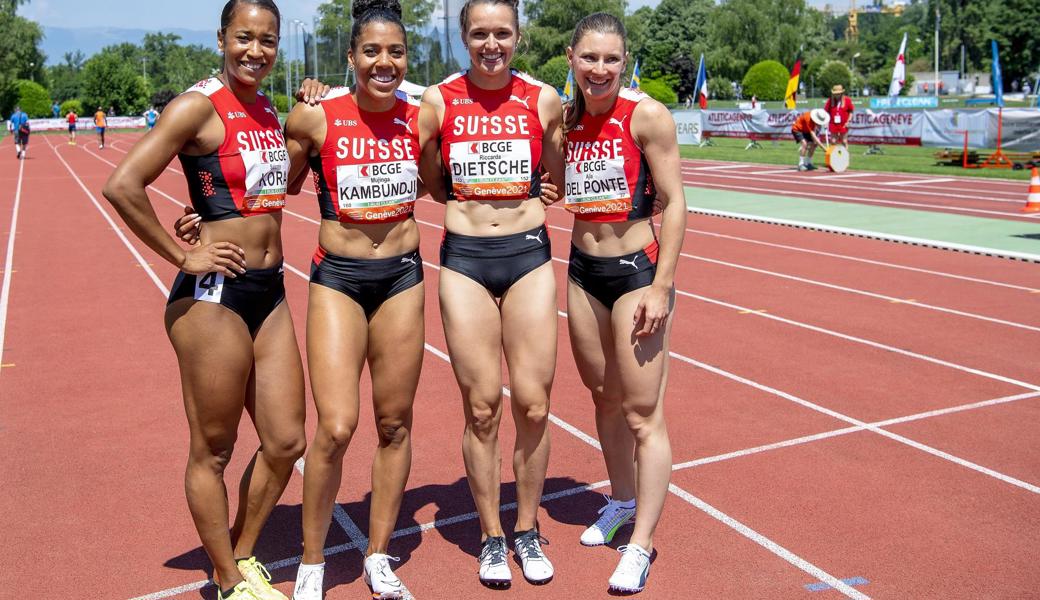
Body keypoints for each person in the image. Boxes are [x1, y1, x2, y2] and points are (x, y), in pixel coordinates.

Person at [102, 1, 328, 598]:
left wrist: (306, 119)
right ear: (222, 38)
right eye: (244, 38)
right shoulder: (196, 106)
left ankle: (242, 555)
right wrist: (185, 255)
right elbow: (121, 184)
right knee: (215, 448)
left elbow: (277, 186)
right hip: (213, 297)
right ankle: (228, 582)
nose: (256, 50)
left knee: (285, 441)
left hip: (270, 290)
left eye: (268, 40)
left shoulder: (265, 106)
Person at [417, 0, 565, 587]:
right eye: (479, 33)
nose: (491, 44)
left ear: (518, 37)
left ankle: (527, 528)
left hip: (528, 255)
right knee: (482, 408)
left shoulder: (543, 98)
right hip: (466, 259)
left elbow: (556, 174)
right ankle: (491, 536)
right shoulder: (438, 99)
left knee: (533, 403)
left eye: (502, 32)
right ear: (463, 38)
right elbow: (431, 184)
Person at [281, 1, 425, 598]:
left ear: (406, 57)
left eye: (394, 51)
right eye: (371, 50)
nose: (383, 62)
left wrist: (539, 184)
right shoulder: (316, 117)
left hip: (402, 278)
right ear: (351, 57)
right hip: (338, 276)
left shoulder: (423, 118)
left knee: (393, 424)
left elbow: (461, 179)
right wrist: (201, 220)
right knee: (337, 426)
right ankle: (313, 560)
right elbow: (273, 186)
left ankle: (378, 553)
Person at [562, 12, 686, 594]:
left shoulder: (647, 116)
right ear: (572, 58)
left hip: (636, 272)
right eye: (590, 57)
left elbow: (677, 202)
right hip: (582, 272)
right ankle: (620, 499)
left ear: (624, 61)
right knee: (603, 397)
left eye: (611, 58)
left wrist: (661, 286)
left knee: (642, 413)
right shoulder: (567, 121)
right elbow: (558, 186)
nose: (601, 69)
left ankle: (642, 542)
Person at [824, 84, 853, 148]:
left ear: (842, 93)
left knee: (844, 141)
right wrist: (826, 122)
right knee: (833, 141)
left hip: (844, 123)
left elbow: (851, 111)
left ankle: (845, 156)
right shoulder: (830, 100)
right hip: (833, 123)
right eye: (836, 94)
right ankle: (834, 156)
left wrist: (848, 121)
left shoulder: (847, 100)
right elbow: (826, 112)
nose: (837, 95)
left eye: (838, 93)